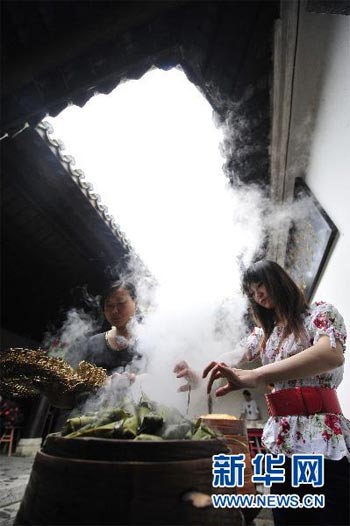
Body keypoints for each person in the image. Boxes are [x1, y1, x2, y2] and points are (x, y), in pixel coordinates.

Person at [202, 259, 349, 526]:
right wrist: (202, 371)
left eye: (261, 286)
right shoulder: (264, 334)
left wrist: (258, 374)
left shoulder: (320, 313)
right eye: (252, 293)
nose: (259, 295)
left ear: (279, 279)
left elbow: (331, 354)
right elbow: (235, 356)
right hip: (282, 441)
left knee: (332, 515)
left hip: (322, 437)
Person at [43, 279, 146, 409]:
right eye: (109, 305)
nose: (114, 310)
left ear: (135, 303)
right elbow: (76, 398)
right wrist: (57, 396)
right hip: (91, 420)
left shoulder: (149, 341)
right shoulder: (93, 343)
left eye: (121, 303)